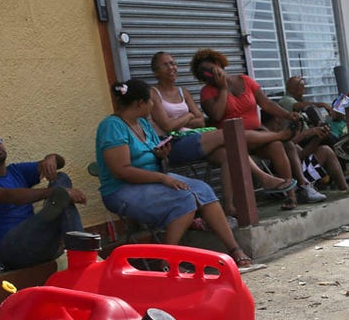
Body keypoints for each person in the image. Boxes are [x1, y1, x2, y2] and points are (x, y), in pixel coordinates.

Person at [96, 79, 252, 266]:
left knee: (203, 190)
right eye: (151, 101)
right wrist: (163, 179)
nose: (154, 105)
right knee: (185, 199)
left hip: (153, 180)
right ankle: (167, 260)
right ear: (140, 103)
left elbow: (154, 157)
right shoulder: (112, 126)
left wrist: (162, 155)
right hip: (122, 189)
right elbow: (121, 171)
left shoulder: (144, 124)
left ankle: (234, 249)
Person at [148, 51, 297, 212]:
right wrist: (189, 115)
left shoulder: (183, 92)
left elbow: (200, 121)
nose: (172, 67)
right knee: (231, 133)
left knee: (229, 154)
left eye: (173, 63)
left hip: (197, 138)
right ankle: (268, 168)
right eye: (166, 64)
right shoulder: (153, 93)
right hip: (173, 144)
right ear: (156, 72)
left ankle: (230, 208)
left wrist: (186, 119)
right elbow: (168, 126)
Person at [192, 49, 326, 209]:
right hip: (232, 141)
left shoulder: (245, 81)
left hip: (257, 138)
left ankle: (291, 195)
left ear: (219, 64)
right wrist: (222, 89)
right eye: (204, 74)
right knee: (270, 139)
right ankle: (280, 135)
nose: (209, 75)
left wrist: (287, 115)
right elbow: (217, 114)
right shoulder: (207, 92)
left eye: (211, 69)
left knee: (277, 145)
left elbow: (266, 103)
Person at [0, 131, 86, 270]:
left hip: (40, 241)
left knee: (60, 178)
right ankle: (83, 254)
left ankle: (80, 252)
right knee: (61, 196)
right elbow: (8, 196)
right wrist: (55, 193)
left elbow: (59, 163)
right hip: (11, 250)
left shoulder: (16, 171)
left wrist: (51, 158)